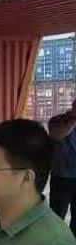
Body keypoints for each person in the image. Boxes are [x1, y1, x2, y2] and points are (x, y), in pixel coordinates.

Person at [48, 99, 76, 237]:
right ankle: (54, 243)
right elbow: (58, 134)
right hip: (61, 178)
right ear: (73, 106)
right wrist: (74, 120)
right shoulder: (56, 120)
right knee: (57, 216)